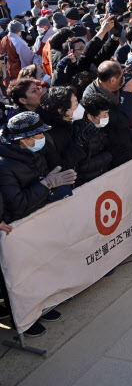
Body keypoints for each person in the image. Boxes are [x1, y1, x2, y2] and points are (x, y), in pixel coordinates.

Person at [0, 112, 76, 337]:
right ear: (23, 139)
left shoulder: (34, 151)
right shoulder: (4, 165)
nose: (43, 137)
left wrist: (50, 182)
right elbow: (18, 205)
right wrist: (45, 185)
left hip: (37, 221)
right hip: (16, 228)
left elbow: (41, 175)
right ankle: (22, 319)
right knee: (19, 277)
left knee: (41, 267)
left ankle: (40, 307)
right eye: (38, 134)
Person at [82, 60, 132, 167]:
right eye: (121, 77)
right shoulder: (92, 96)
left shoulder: (120, 86)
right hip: (114, 154)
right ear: (112, 80)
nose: (124, 79)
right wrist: (127, 94)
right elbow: (121, 121)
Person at [75, 93, 113, 184]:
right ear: (90, 116)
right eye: (104, 115)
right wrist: (108, 156)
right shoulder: (79, 133)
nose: (107, 117)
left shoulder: (102, 128)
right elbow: (82, 165)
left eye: (108, 114)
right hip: (88, 182)